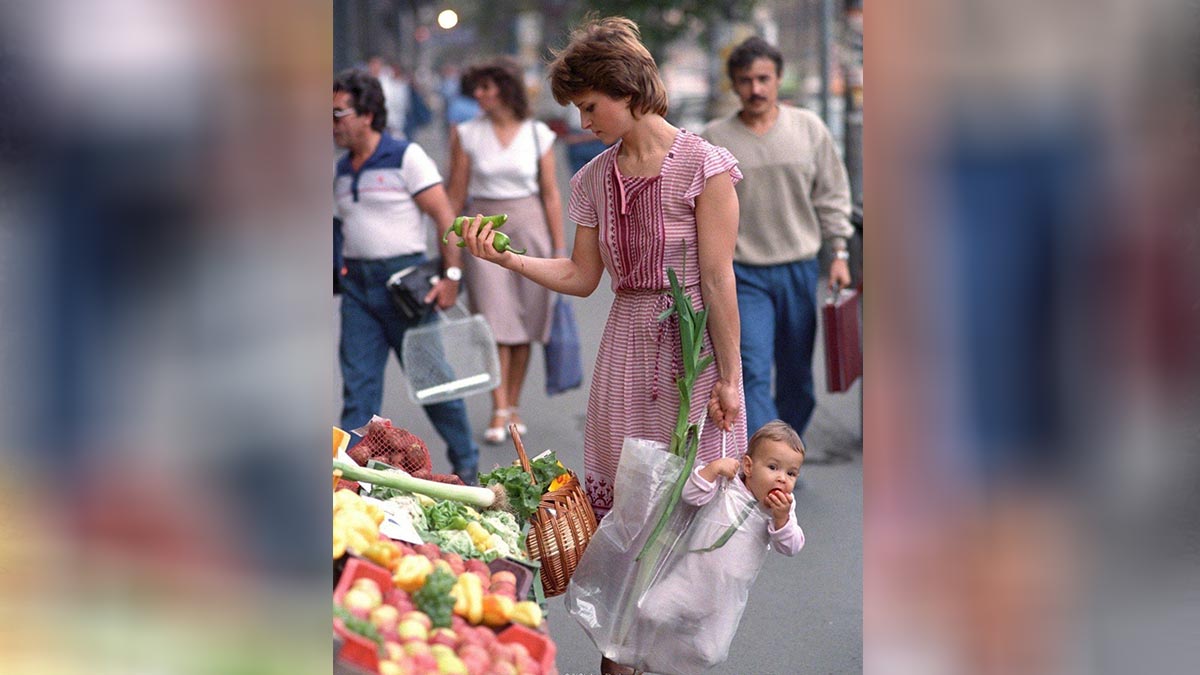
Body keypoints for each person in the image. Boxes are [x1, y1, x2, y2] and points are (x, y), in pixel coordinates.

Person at [457, 12, 746, 544]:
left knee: (693, 496)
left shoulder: (706, 166)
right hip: (625, 349)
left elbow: (716, 279)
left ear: (626, 89)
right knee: (628, 509)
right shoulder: (592, 177)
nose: (584, 122)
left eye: (590, 107)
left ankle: (682, 621)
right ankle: (629, 621)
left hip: (693, 350)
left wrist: (729, 378)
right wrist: (509, 260)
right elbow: (580, 274)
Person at [701, 37, 854, 438]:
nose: (756, 89)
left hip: (799, 269)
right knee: (751, 369)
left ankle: (787, 452)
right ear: (733, 85)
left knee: (797, 376)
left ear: (779, 79)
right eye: (746, 80)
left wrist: (839, 253)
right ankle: (766, 459)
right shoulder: (714, 138)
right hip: (742, 274)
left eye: (764, 78)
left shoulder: (809, 129)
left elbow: (833, 194)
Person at [333, 69, 479, 485]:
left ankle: (466, 464)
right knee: (357, 389)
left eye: (338, 113)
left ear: (367, 114)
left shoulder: (405, 156)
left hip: (406, 289)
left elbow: (444, 217)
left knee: (434, 383)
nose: (332, 123)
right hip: (358, 291)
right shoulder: (342, 170)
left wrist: (451, 275)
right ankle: (350, 480)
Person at [447, 57, 566, 445]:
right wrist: (449, 245)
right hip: (483, 229)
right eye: (476, 88)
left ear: (504, 88)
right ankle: (499, 407)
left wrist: (558, 247)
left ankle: (513, 404)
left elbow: (550, 194)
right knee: (495, 322)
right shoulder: (465, 133)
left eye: (486, 87)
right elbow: (455, 193)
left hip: (530, 226)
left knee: (527, 324)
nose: (478, 95)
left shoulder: (537, 134)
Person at [637, 420, 805, 672]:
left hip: (725, 599)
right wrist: (712, 470)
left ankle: (665, 665)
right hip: (689, 578)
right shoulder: (728, 484)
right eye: (773, 467)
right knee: (650, 611)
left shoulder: (781, 510)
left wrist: (781, 520)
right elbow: (691, 495)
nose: (782, 478)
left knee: (710, 652)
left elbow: (792, 546)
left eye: (791, 473)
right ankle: (644, 659)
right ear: (748, 466)